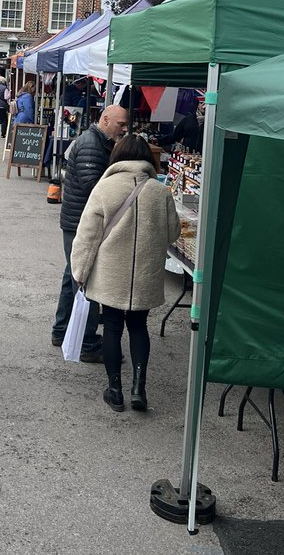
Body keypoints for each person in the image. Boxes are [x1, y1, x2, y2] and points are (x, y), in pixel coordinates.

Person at [71, 136, 180, 412]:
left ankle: (115, 389)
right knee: (139, 326)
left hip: (111, 273)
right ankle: (139, 389)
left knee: (112, 327)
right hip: (145, 273)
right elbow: (174, 233)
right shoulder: (160, 191)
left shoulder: (104, 188)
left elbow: (87, 236)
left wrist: (79, 271)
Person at [52, 104, 130, 361]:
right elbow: (93, 187)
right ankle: (86, 342)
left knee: (72, 275)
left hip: (77, 220)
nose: (124, 128)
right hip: (81, 223)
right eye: (121, 124)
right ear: (106, 120)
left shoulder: (96, 141)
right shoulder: (92, 144)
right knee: (84, 280)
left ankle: (62, 330)